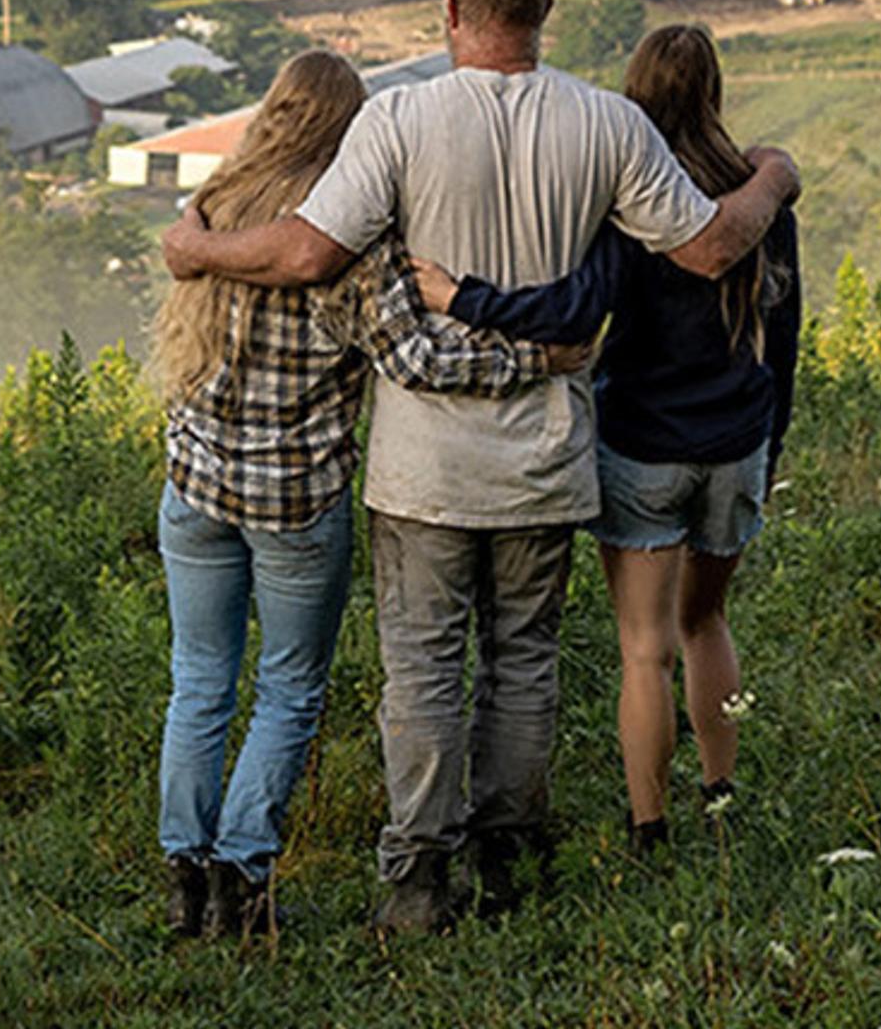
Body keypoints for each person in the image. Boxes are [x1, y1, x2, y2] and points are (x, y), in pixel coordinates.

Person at [161, 0, 798, 935]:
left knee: (421, 677)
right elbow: (714, 244)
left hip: (424, 472)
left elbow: (304, 250)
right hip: (545, 463)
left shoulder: (400, 120)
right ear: (542, 15)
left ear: (449, 14)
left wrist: (197, 248)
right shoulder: (611, 124)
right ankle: (510, 860)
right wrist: (775, 175)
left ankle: (416, 883)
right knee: (523, 664)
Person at [147, 49, 586, 943]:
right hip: (294, 499)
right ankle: (244, 870)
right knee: (289, 689)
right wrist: (538, 357)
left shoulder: (213, 212)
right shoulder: (347, 244)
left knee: (198, 683)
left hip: (193, 486)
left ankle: (184, 881)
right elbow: (416, 360)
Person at [415, 21, 800, 853]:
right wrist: (770, 448)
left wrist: (462, 297)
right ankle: (721, 797)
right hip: (737, 441)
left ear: (636, 95)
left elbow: (572, 311)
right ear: (715, 93)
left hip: (641, 445)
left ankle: (648, 828)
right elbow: (787, 345)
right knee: (708, 624)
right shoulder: (760, 197)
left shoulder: (626, 200)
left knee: (642, 650)